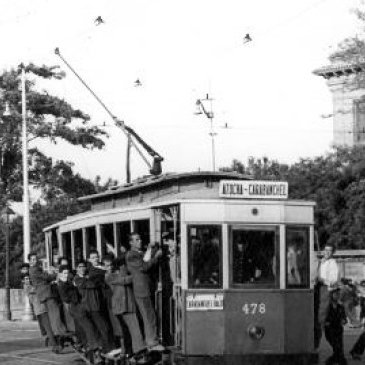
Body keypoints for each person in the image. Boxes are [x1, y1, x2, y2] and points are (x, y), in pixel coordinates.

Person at [104, 256, 147, 362]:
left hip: (127, 305)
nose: (108, 267)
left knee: (129, 330)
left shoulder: (121, 274)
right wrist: (131, 272)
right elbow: (125, 280)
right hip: (121, 306)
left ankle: (131, 351)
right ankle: (137, 351)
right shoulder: (109, 276)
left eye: (110, 265)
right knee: (131, 329)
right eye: (106, 265)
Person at [126, 232, 164, 351]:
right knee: (149, 316)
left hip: (145, 288)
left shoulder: (138, 253)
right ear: (131, 242)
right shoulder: (131, 255)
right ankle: (152, 342)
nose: (140, 241)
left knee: (150, 315)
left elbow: (145, 259)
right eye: (137, 240)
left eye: (140, 239)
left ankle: (152, 340)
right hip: (142, 290)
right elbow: (144, 267)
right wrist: (156, 257)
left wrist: (149, 249)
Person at [57, 265, 102, 364]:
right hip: (75, 307)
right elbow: (66, 298)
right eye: (64, 273)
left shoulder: (68, 282)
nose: (66, 275)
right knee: (88, 327)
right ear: (60, 274)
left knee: (88, 327)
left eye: (67, 273)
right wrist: (74, 292)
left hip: (80, 306)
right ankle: (94, 349)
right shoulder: (62, 285)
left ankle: (91, 347)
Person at [74, 256, 113, 354]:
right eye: (80, 267)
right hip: (90, 308)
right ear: (76, 268)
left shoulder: (89, 275)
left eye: (83, 266)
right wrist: (98, 277)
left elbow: (99, 278)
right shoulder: (77, 279)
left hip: (97, 305)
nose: (82, 268)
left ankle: (105, 348)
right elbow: (91, 284)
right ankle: (106, 349)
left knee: (104, 328)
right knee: (103, 328)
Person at [28, 252, 69, 342]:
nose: (36, 261)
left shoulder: (36, 269)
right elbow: (46, 277)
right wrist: (57, 274)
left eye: (36, 259)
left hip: (45, 293)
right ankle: (60, 331)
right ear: (30, 261)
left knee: (54, 312)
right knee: (55, 312)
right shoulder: (34, 270)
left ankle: (58, 331)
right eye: (33, 259)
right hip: (46, 293)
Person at [20, 263, 60, 353]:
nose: (28, 280)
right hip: (40, 310)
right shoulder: (28, 288)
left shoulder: (34, 285)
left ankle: (54, 340)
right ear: (23, 281)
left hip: (44, 307)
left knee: (52, 325)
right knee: (48, 328)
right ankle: (54, 345)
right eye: (26, 279)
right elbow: (38, 289)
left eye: (28, 278)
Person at [314, 244, 340, 349]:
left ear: (333, 253)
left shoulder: (333, 263)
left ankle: (316, 345)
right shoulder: (320, 262)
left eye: (329, 251)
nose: (327, 252)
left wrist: (322, 280)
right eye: (326, 250)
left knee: (321, 320)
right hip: (318, 289)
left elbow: (334, 281)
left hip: (326, 291)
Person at [324, 286, 347, 365]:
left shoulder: (341, 306)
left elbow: (344, 318)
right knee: (337, 347)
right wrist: (326, 322)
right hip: (330, 330)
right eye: (335, 294)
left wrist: (343, 321)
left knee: (339, 349)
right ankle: (334, 361)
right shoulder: (327, 306)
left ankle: (334, 361)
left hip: (338, 330)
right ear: (331, 295)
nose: (337, 295)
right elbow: (323, 317)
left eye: (338, 294)